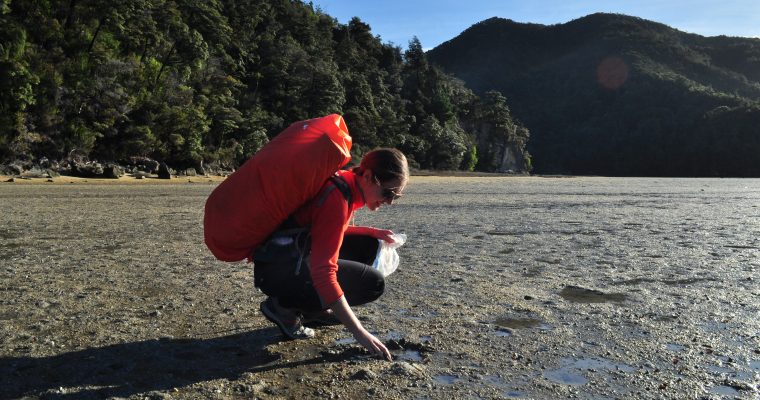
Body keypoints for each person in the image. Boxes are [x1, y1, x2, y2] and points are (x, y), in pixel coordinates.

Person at [253, 148, 409, 361]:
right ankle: (284, 308)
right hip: (277, 272)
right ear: (367, 176)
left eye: (396, 196)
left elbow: (330, 228)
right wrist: (360, 333)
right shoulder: (336, 198)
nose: (390, 202)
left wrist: (374, 232)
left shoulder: (344, 184)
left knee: (368, 245)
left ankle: (311, 311)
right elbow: (324, 273)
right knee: (373, 284)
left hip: (279, 262)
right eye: (388, 193)